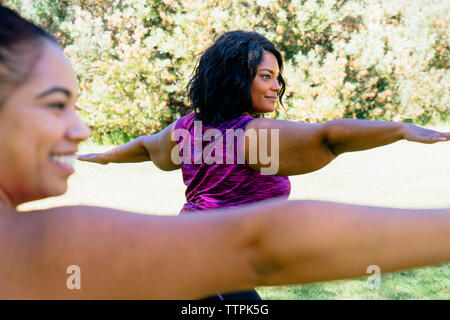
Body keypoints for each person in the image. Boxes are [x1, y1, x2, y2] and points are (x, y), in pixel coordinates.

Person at [0, 5, 450, 300]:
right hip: (213, 275)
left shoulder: (185, 130)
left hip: (187, 266)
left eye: (279, 77)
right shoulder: (253, 135)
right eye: (266, 76)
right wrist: (398, 128)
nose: (276, 85)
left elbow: (145, 148)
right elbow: (327, 138)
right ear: (238, 78)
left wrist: (107, 156)